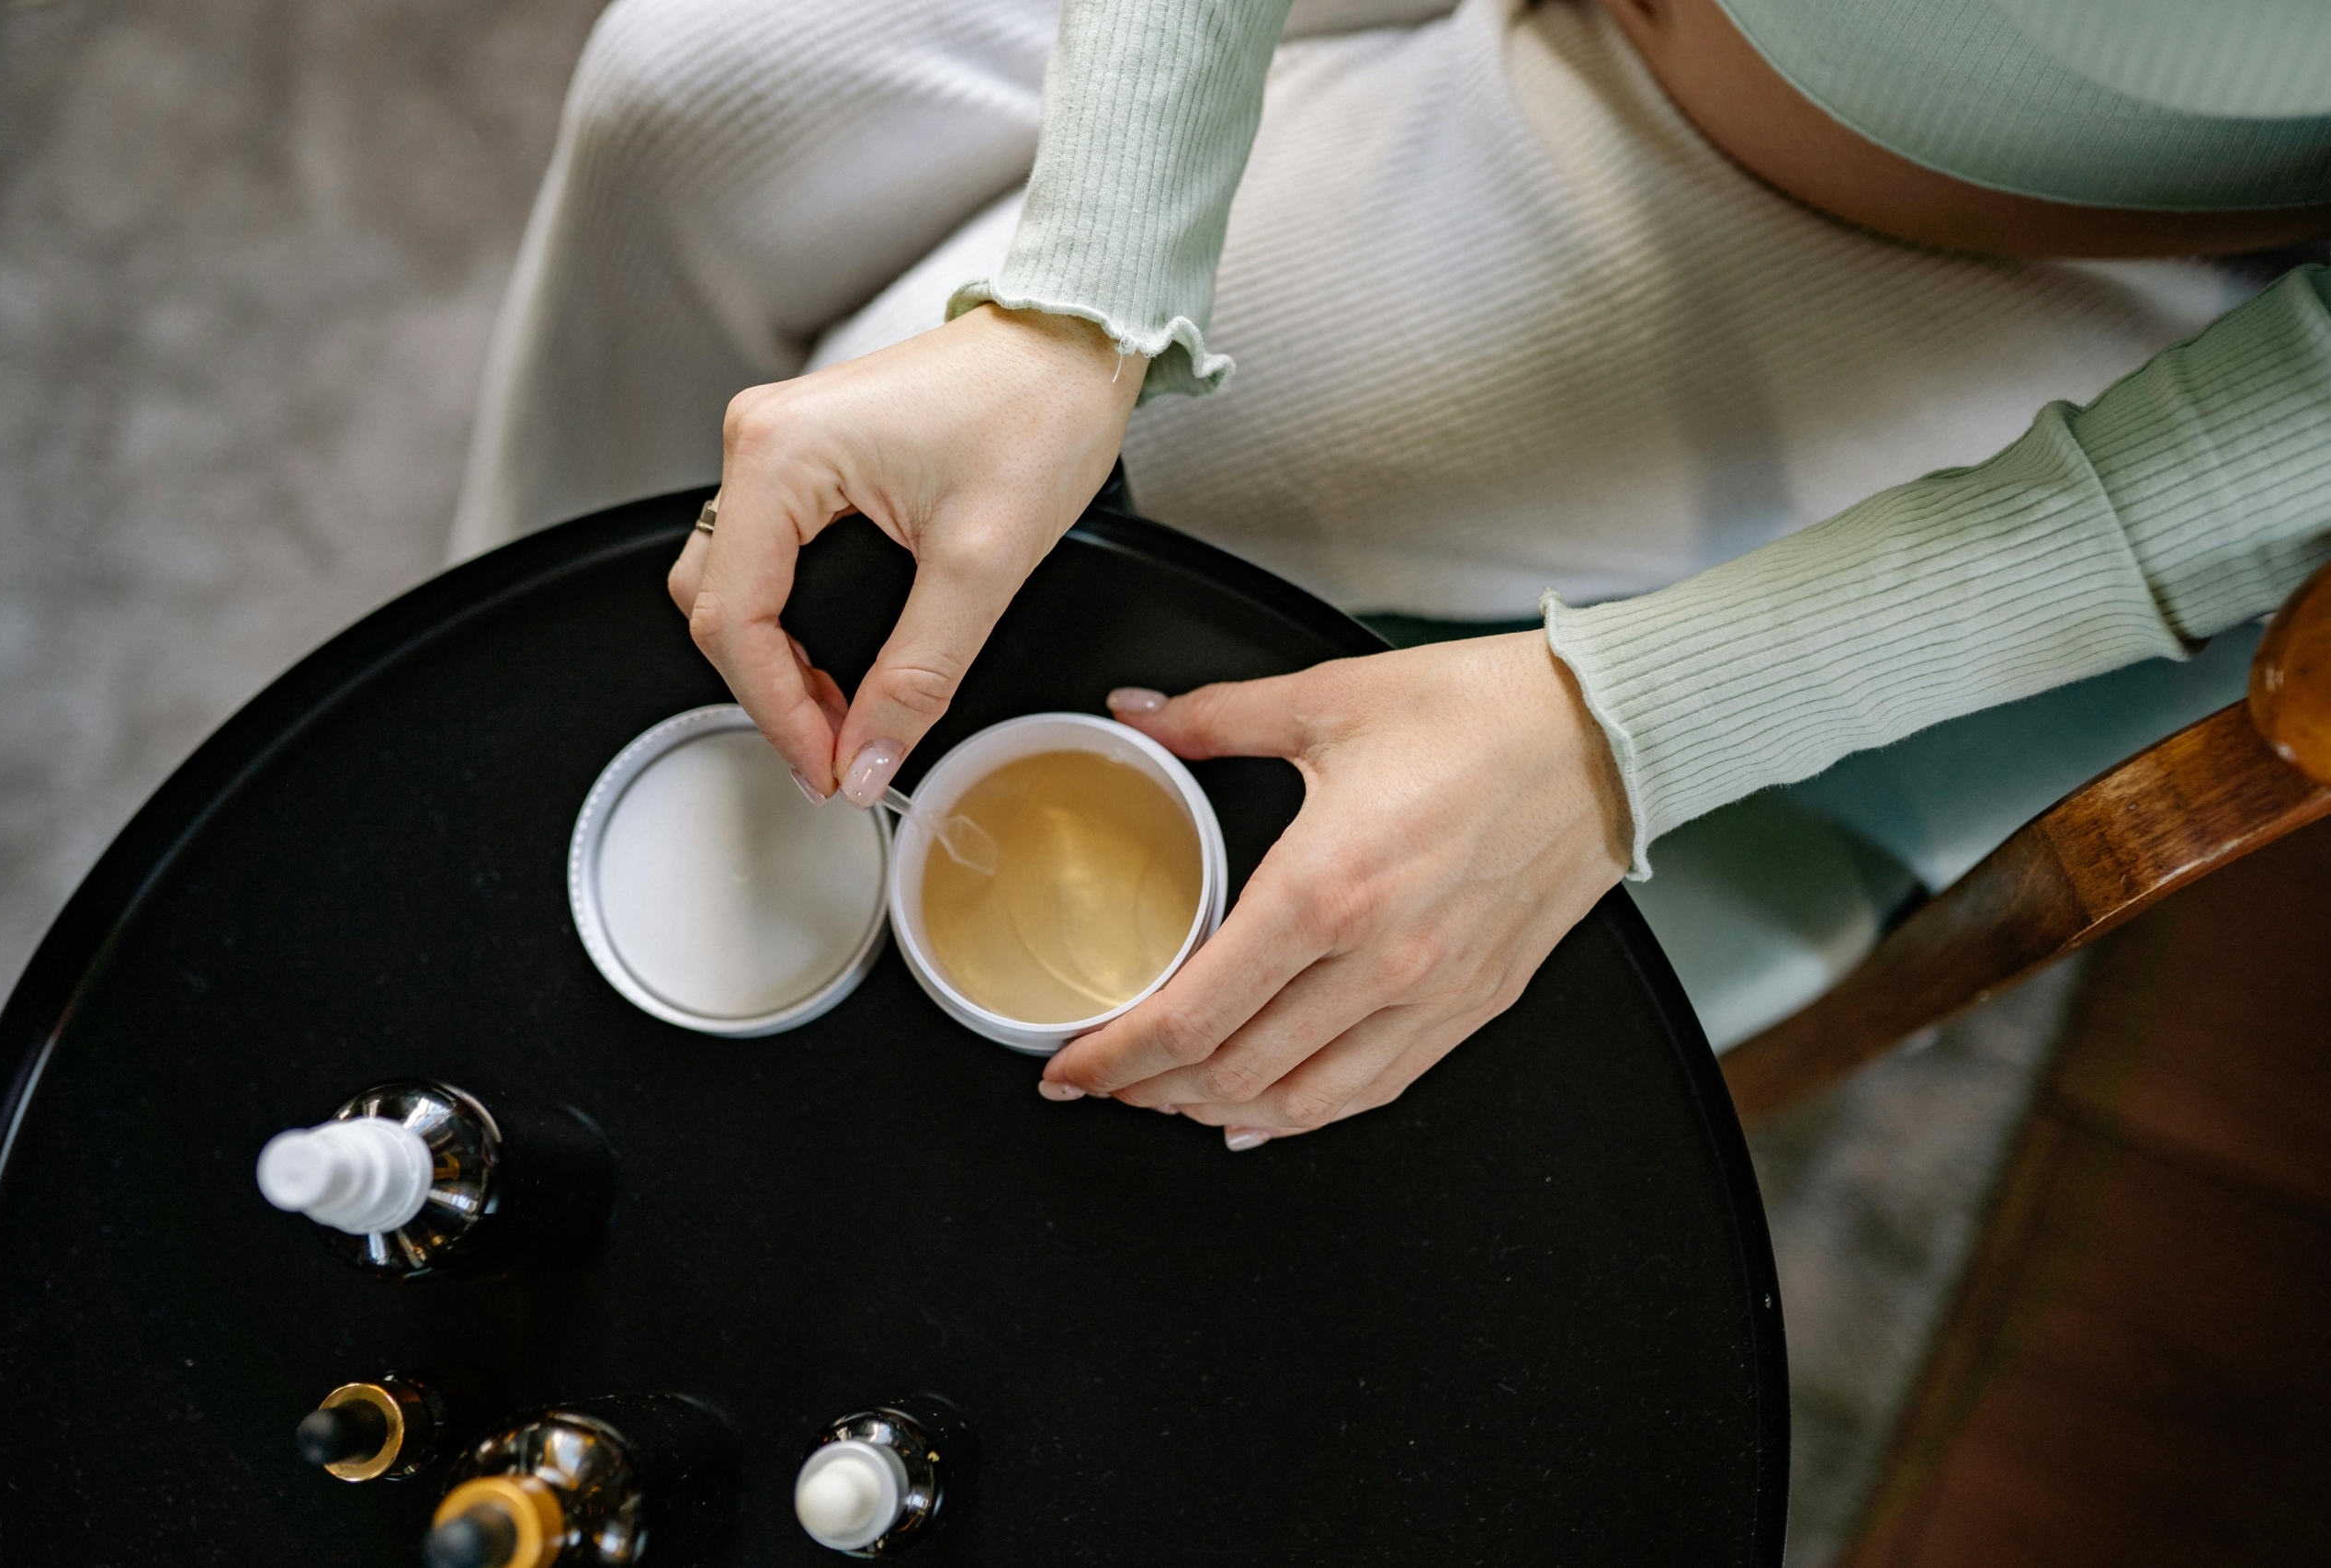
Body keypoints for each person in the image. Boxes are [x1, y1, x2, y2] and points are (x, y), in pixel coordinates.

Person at [455, 0, 2331, 1150]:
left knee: (923, 534)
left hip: (1892, 208)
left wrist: (1628, 728)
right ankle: (497, 729)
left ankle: (643, 883)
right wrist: (1085, 278)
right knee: (686, 94)